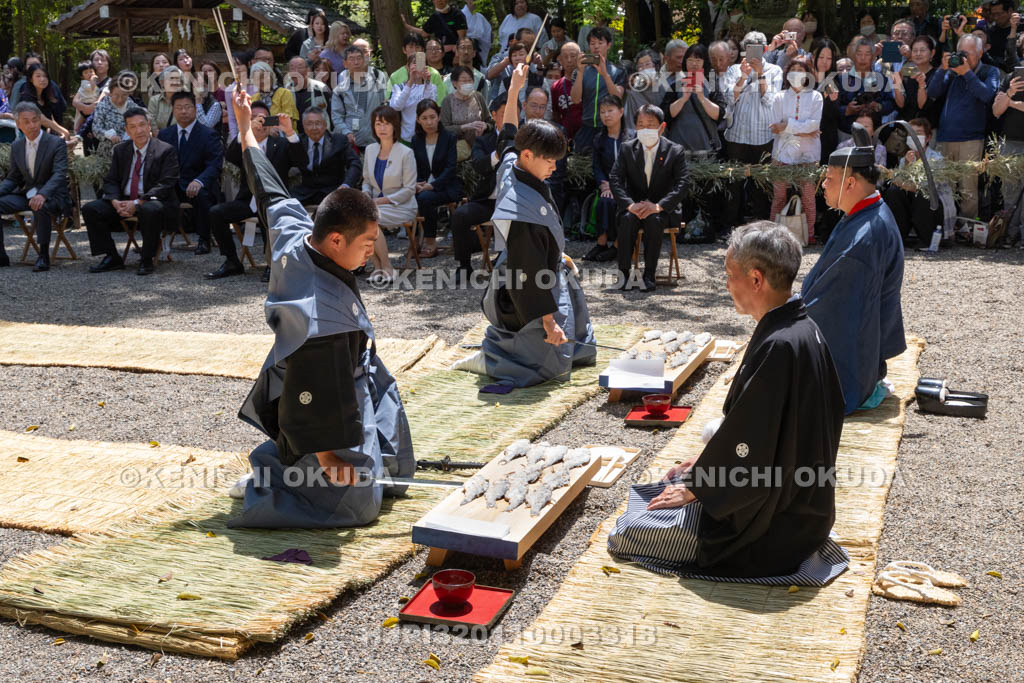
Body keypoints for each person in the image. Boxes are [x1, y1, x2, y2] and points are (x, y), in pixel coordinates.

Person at [606, 222, 848, 585]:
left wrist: (699, 485)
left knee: (627, 531)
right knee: (656, 492)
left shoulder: (781, 344)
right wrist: (705, 465)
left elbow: (751, 445)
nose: (725, 284)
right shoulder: (801, 326)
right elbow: (755, 433)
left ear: (756, 279)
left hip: (772, 527)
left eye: (729, 274)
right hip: (802, 506)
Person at [223, 88, 415, 530]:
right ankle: (272, 476)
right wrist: (328, 456)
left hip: (344, 368)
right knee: (357, 507)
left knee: (393, 474)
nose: (372, 252)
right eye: (367, 245)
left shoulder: (295, 230)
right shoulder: (319, 317)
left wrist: (244, 126)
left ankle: (306, 463)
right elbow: (304, 397)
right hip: (313, 388)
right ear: (334, 240)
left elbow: (266, 182)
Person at [452, 64, 595, 388]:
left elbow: (508, 132)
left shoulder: (512, 164)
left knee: (578, 343)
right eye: (549, 161)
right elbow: (527, 274)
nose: (554, 167)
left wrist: (516, 87)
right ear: (529, 155)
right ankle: (491, 359)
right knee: (552, 364)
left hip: (545, 271)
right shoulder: (520, 209)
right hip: (522, 287)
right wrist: (548, 323)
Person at [802, 123, 906, 415]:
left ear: (850, 183)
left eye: (829, 179)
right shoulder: (870, 212)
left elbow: (832, 309)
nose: (823, 185)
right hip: (867, 345)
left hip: (852, 365)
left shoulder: (865, 237)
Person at [83, 107, 180, 276]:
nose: (139, 130)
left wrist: (138, 203)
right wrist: (114, 201)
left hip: (153, 201)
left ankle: (147, 258)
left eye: (142, 125)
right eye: (133, 127)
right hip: (124, 201)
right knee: (91, 209)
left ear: (149, 125)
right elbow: (111, 180)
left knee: (150, 209)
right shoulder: (121, 150)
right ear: (127, 130)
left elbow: (166, 184)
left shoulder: (165, 150)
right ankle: (111, 257)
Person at [206, 101, 292, 281]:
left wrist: (290, 132)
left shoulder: (281, 143)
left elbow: (301, 159)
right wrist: (245, 132)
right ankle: (232, 261)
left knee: (271, 215)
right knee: (216, 213)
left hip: (273, 202)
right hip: (248, 200)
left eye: (263, 119)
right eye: (254, 119)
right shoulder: (244, 143)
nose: (259, 123)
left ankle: (272, 264)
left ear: (271, 121)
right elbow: (230, 157)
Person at [610, 104, 687, 292]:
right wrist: (630, 205)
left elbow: (682, 184)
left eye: (650, 124)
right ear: (635, 127)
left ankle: (649, 275)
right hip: (634, 207)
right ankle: (624, 274)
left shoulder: (675, 151)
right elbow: (615, 179)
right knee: (627, 220)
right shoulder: (627, 148)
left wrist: (658, 206)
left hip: (662, 209)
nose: (645, 129)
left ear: (662, 127)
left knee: (654, 220)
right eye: (640, 124)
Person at [927, 32, 1000, 219]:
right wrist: (943, 69)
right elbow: (933, 92)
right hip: (946, 137)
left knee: (968, 189)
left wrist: (967, 73)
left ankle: (968, 227)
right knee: (945, 187)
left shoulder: (989, 71)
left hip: (971, 139)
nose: (964, 57)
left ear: (980, 53)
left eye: (969, 53)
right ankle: (947, 225)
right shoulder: (951, 72)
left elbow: (987, 96)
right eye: (961, 53)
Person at [722, 32, 783, 230]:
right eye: (749, 47)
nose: (753, 52)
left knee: (761, 183)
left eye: (757, 47)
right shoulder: (733, 69)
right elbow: (730, 98)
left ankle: (761, 228)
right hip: (737, 134)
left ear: (765, 49)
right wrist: (743, 76)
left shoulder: (775, 70)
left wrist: (760, 75)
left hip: (763, 135)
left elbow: (771, 101)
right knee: (734, 181)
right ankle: (731, 225)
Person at [0, 102, 72, 270]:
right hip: (28, 194)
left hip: (53, 196)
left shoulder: (56, 143)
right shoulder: (17, 146)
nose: (32, 125)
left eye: (35, 120)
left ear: (40, 120)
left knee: (40, 205)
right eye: (26, 121)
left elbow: (59, 174)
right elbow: (13, 178)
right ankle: (1, 255)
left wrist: (43, 194)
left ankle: (43, 255)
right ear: (18, 124)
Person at [156, 91, 223, 255]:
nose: (183, 111)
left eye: (187, 107)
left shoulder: (208, 134)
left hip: (198, 184)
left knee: (203, 195)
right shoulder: (165, 134)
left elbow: (214, 165)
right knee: (152, 197)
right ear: (173, 110)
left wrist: (199, 181)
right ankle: (154, 240)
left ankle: (204, 239)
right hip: (173, 185)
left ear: (195, 108)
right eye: (179, 108)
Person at [450, 94, 506, 282]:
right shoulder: (484, 140)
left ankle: (505, 260)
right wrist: (497, 155)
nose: (508, 118)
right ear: (494, 114)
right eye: (503, 113)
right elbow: (478, 165)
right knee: (460, 215)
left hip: (514, 200)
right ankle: (464, 266)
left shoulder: (523, 139)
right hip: (488, 200)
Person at [769, 56, 822, 243]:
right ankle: (773, 233)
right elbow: (775, 127)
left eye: (801, 70)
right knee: (779, 196)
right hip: (782, 152)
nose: (797, 74)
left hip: (808, 154)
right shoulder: (779, 97)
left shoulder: (816, 97)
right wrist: (804, 130)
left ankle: (809, 234)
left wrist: (788, 126)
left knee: (808, 196)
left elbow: (815, 125)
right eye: (793, 70)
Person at [362, 105, 417, 281]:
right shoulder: (370, 150)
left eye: (387, 124)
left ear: (395, 126)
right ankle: (377, 267)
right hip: (374, 206)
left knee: (369, 219)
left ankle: (387, 266)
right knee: (360, 219)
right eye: (378, 124)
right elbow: (366, 181)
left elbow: (409, 189)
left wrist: (381, 201)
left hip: (401, 206)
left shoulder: (406, 153)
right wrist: (365, 196)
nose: (382, 128)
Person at [883, 118, 956, 248]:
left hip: (932, 204)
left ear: (927, 138)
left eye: (919, 133)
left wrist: (896, 179)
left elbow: (924, 187)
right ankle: (898, 236)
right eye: (911, 133)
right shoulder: (905, 158)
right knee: (893, 193)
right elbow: (899, 183)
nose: (914, 136)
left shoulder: (936, 159)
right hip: (911, 199)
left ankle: (926, 238)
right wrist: (906, 165)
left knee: (924, 195)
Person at [584, 94, 633, 262]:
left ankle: (618, 246)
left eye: (610, 111)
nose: (606, 115)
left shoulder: (632, 138)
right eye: (602, 112)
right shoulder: (599, 139)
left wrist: (616, 187)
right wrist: (604, 185)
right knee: (604, 200)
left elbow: (633, 168)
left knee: (620, 204)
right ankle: (601, 243)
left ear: (621, 112)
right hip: (607, 187)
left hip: (628, 188)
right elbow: (597, 166)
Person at [411, 100, 462, 258]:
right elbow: (416, 168)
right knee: (412, 194)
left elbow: (451, 169)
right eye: (424, 118)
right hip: (424, 185)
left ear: (439, 117)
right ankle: (415, 240)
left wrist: (432, 185)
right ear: (418, 120)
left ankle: (430, 242)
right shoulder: (416, 140)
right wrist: (417, 183)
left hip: (447, 186)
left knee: (425, 198)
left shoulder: (449, 137)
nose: (429, 122)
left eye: (432, 117)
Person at [286, 108, 361, 205]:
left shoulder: (339, 140)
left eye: (318, 123)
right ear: (303, 126)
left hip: (333, 190)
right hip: (306, 191)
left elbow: (355, 163)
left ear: (325, 125)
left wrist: (346, 184)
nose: (314, 127)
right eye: (309, 124)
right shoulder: (297, 142)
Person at [571, 26, 626, 153]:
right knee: (584, 167)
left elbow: (617, 97)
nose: (596, 47)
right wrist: (580, 72)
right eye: (592, 43)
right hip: (587, 126)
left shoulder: (618, 71)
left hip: (609, 127)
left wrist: (605, 74)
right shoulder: (580, 71)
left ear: (608, 45)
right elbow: (575, 99)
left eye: (600, 43)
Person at [663, 43, 724, 155]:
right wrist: (682, 100)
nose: (694, 64)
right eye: (690, 60)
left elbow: (719, 114)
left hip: (706, 147)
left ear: (704, 62)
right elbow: (666, 115)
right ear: (685, 62)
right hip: (679, 148)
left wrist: (702, 98)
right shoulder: (675, 85)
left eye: (698, 60)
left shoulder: (711, 84)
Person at [332, 46, 388, 151]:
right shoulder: (339, 91)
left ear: (364, 61)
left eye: (359, 58)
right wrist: (346, 132)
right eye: (352, 59)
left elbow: (384, 107)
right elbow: (337, 117)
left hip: (376, 140)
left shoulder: (377, 83)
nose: (356, 62)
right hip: (352, 144)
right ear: (345, 64)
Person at [994, 61, 1024, 242]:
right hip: (1009, 143)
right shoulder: (1011, 77)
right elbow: (996, 110)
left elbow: (1004, 104)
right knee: (1010, 192)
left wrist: (1009, 102)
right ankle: (1009, 234)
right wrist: (1010, 94)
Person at [839, 38, 895, 134]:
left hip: (874, 133)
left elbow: (891, 103)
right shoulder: (841, 79)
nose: (863, 58)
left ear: (873, 57)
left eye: (867, 54)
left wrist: (878, 106)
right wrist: (847, 110)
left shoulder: (881, 78)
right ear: (854, 56)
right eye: (859, 54)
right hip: (847, 132)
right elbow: (831, 108)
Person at [893, 35, 941, 129]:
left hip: (928, 130)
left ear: (932, 53)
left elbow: (922, 105)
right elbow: (900, 104)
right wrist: (896, 83)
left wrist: (921, 85)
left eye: (922, 50)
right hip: (905, 129)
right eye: (914, 51)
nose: (918, 54)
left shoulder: (937, 75)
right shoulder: (906, 73)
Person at [404, 0, 467, 70]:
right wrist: (407, 26)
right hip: (440, 56)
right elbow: (424, 33)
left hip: (455, 55)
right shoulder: (434, 17)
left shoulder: (457, 14)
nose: (439, 1)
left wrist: (458, 55)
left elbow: (462, 37)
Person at [389, 55, 438, 141]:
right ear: (407, 67)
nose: (419, 67)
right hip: (406, 137)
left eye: (421, 64)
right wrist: (410, 82)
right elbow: (396, 107)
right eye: (415, 63)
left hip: (426, 137)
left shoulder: (431, 87)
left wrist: (427, 81)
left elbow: (430, 107)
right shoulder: (399, 87)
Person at [441, 65, 492, 147]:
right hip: (456, 148)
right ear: (454, 83)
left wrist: (485, 126)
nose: (468, 84)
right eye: (464, 81)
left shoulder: (478, 96)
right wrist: (464, 127)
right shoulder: (448, 101)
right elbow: (443, 129)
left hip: (479, 146)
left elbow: (490, 121)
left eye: (470, 80)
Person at [387, 33, 448, 100]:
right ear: (404, 50)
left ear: (422, 50)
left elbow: (441, 101)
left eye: (417, 47)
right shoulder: (395, 76)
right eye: (411, 47)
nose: (414, 51)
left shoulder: (433, 74)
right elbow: (390, 101)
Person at [19, 64, 69, 139]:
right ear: (30, 79)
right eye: (38, 76)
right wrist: (64, 131)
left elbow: (50, 119)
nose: (42, 79)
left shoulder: (45, 96)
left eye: (45, 76)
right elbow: (41, 119)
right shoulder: (26, 97)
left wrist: (60, 131)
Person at [92, 71, 141, 146]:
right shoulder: (103, 106)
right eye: (116, 95)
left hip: (130, 149)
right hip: (107, 151)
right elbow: (96, 128)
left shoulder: (132, 106)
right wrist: (109, 135)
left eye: (124, 95)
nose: (120, 100)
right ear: (110, 93)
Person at [285, 56, 332, 135]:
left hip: (319, 135)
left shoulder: (321, 88)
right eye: (292, 68)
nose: (296, 71)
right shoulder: (286, 90)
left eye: (300, 67)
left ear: (308, 70)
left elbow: (331, 113)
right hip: (295, 135)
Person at [251, 61, 300, 131]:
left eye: (264, 77)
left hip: (284, 137)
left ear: (271, 76)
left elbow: (287, 121)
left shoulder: (284, 93)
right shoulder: (253, 98)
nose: (262, 81)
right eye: (257, 78)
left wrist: (268, 128)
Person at [624, 49, 666, 128]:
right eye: (640, 66)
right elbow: (630, 120)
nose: (644, 68)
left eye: (647, 64)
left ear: (655, 66)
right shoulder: (634, 92)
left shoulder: (664, 85)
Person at [550, 42, 582, 140]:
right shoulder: (556, 86)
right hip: (566, 137)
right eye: (565, 57)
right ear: (560, 60)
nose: (569, 60)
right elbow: (555, 114)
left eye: (573, 56)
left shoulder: (589, 81)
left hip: (587, 135)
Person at [443, 38, 490, 103]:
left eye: (469, 48)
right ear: (456, 52)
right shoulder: (447, 79)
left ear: (474, 53)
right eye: (463, 48)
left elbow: (485, 106)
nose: (466, 52)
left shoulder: (481, 79)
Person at [984, 0, 1020, 73]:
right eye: (993, 14)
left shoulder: (1021, 28)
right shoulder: (991, 32)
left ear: (1010, 11)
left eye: (999, 14)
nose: (996, 18)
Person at [147, 66, 184, 131]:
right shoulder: (154, 100)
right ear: (162, 82)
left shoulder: (187, 101)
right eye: (171, 78)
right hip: (160, 138)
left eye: (177, 79)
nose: (174, 82)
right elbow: (152, 125)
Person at [72, 61, 102, 134]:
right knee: (82, 118)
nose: (89, 74)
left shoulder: (97, 82)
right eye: (86, 72)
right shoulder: (84, 83)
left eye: (91, 71)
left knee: (89, 120)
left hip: (92, 104)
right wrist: (92, 79)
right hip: (85, 103)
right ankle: (77, 129)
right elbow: (91, 88)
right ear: (82, 76)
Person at [196, 60, 225, 135]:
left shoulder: (224, 93)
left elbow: (207, 125)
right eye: (204, 71)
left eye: (210, 70)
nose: (207, 73)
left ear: (217, 73)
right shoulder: (190, 100)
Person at [462, 0, 493, 64]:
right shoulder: (460, 14)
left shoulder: (480, 17)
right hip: (464, 47)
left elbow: (488, 33)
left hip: (478, 48)